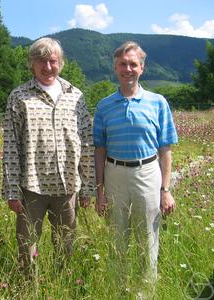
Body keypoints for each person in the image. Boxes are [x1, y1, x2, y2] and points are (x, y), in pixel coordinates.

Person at [3, 37, 95, 275]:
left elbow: (86, 143)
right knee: (27, 247)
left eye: (52, 61)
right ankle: (28, 288)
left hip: (68, 187)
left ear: (61, 63)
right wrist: (12, 190)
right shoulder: (19, 96)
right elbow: (11, 146)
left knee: (66, 246)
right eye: (41, 61)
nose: (47, 67)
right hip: (31, 188)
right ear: (31, 64)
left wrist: (88, 187)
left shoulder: (76, 96)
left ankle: (62, 286)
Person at [93, 41, 178, 294]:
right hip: (114, 173)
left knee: (148, 238)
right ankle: (119, 289)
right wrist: (100, 191)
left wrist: (165, 189)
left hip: (147, 173)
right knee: (117, 237)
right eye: (122, 64)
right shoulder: (104, 105)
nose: (127, 68)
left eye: (133, 64)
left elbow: (165, 149)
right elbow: (99, 150)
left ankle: (146, 292)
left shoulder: (158, 102)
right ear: (115, 68)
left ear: (142, 68)